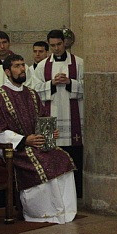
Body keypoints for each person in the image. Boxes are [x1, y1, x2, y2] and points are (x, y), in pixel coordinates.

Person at [0, 54, 77, 224]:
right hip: (13, 148)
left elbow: (43, 119)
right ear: (7, 72)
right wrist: (24, 140)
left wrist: (49, 133)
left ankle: (64, 209)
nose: (22, 69)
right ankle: (42, 212)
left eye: (23, 65)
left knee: (62, 157)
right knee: (43, 161)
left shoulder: (32, 94)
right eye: (17, 66)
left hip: (36, 143)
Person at [33, 29, 84, 197]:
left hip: (74, 116)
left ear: (65, 43)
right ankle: (54, 193)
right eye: (52, 45)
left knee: (75, 154)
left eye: (59, 44)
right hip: (51, 114)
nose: (56, 48)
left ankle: (77, 192)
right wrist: (51, 84)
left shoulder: (79, 63)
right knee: (52, 154)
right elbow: (34, 89)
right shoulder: (42, 66)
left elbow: (89, 85)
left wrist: (70, 82)